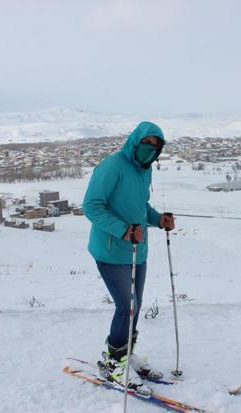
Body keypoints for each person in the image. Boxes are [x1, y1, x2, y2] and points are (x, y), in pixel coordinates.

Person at [82, 121, 175, 394]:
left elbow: (139, 206)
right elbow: (91, 206)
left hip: (137, 250)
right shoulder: (112, 166)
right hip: (111, 250)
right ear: (135, 142)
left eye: (156, 146)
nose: (150, 149)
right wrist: (123, 230)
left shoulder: (143, 171)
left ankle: (126, 354)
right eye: (147, 143)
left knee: (136, 305)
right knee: (126, 307)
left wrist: (158, 219)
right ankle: (113, 365)